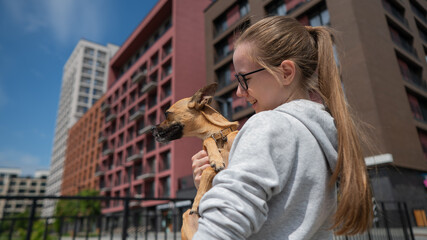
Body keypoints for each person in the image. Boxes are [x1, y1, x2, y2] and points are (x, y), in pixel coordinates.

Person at [187, 16, 373, 239]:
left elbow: (226, 221)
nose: (239, 92)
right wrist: (217, 181)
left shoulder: (267, 124)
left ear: (286, 72)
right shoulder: (321, 136)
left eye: (243, 79)